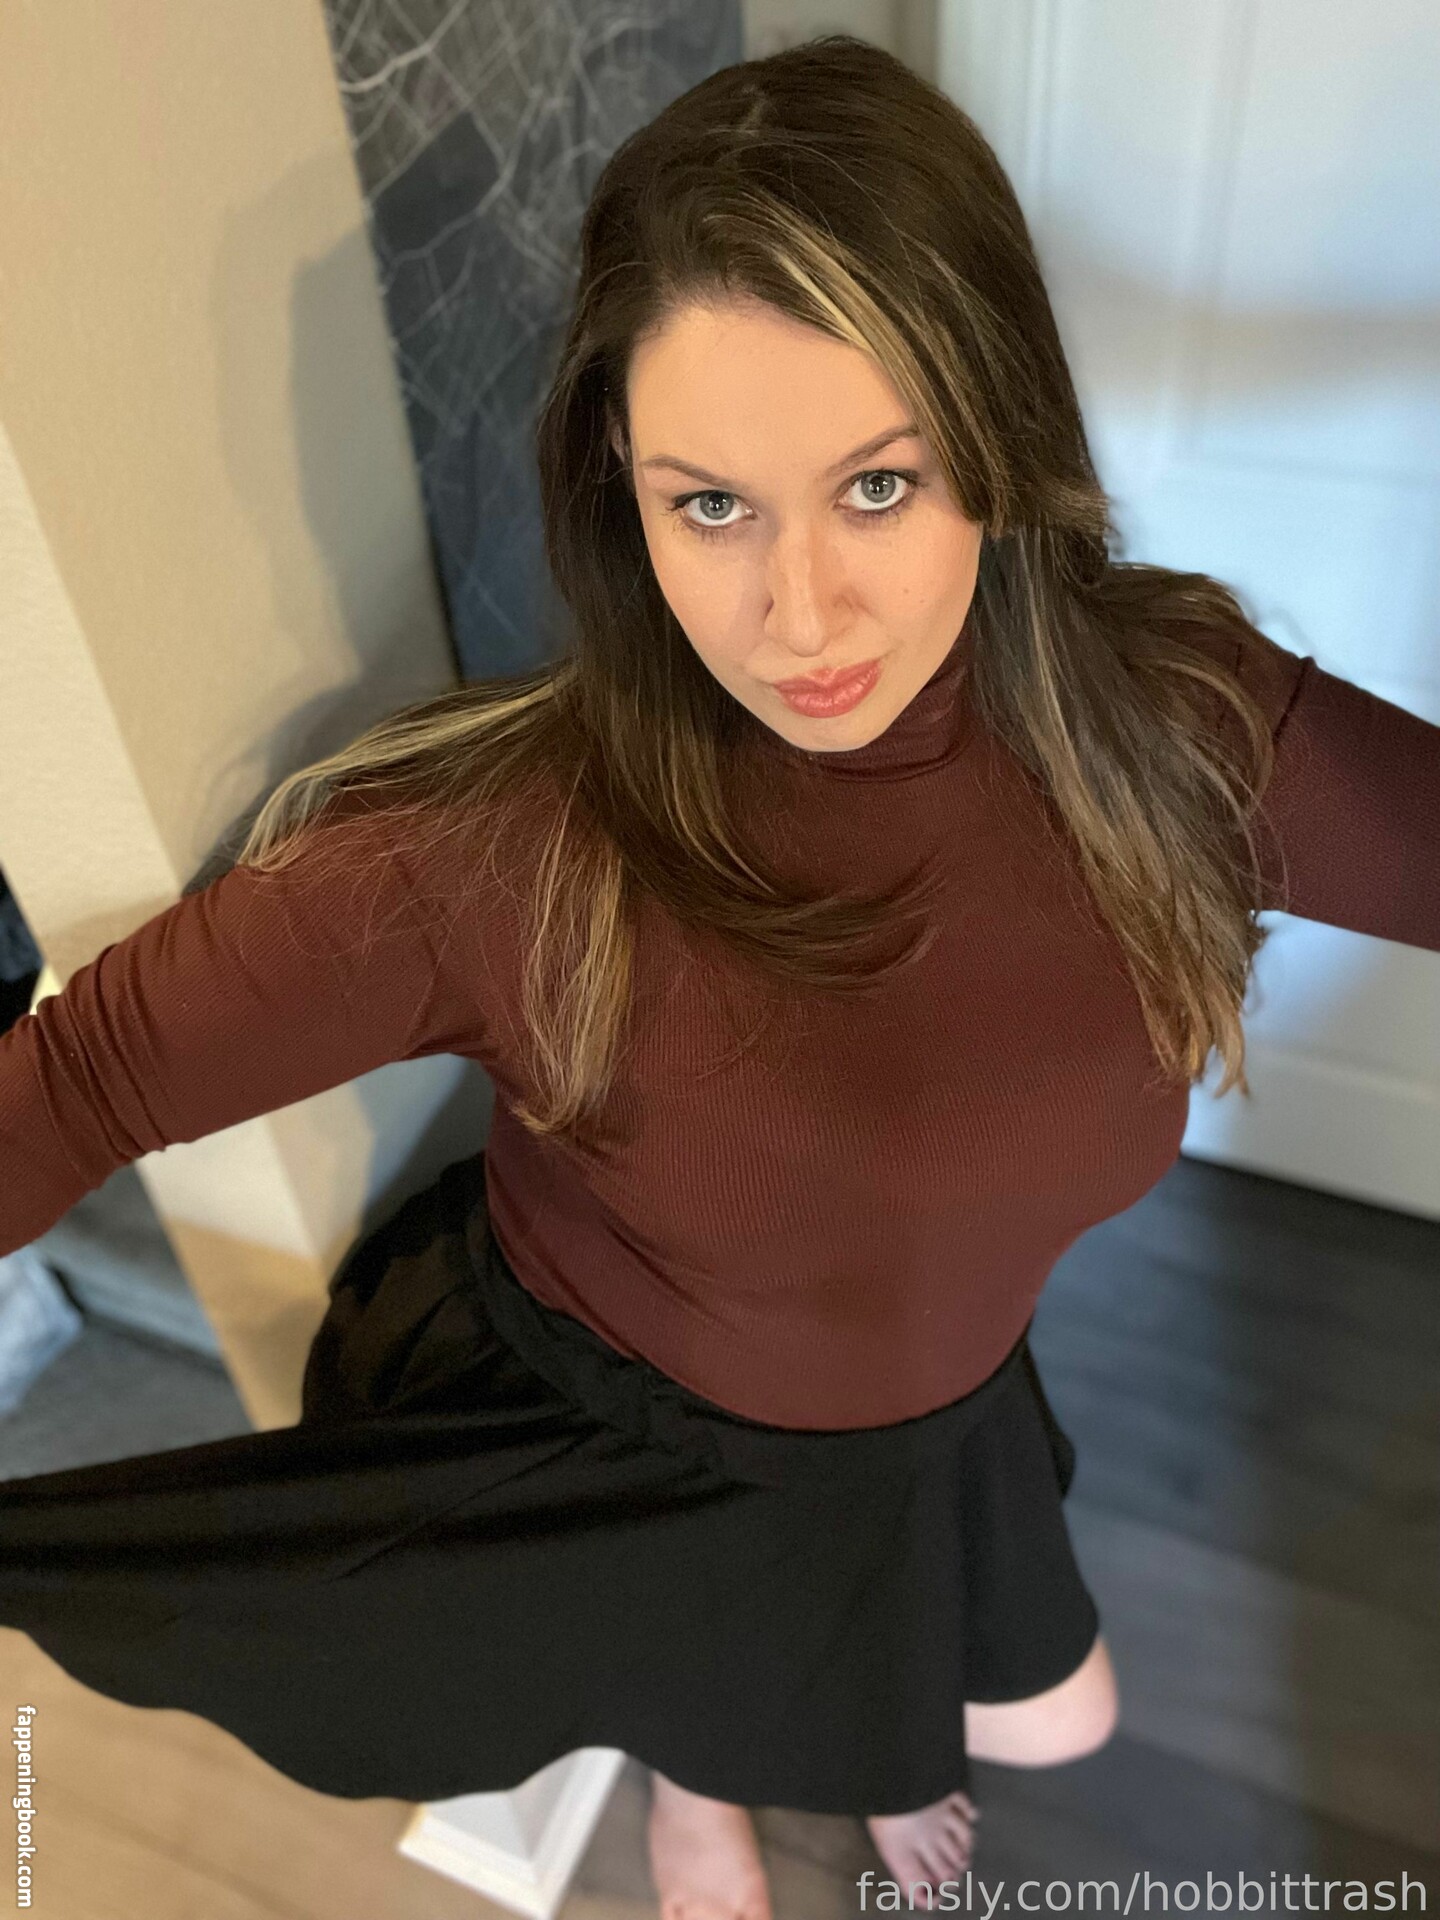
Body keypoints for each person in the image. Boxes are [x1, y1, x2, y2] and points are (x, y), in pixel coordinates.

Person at [2, 34, 1438, 1919]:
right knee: (728, 1674)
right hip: (623, 1440)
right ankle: (705, 1779)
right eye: (712, 506)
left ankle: (763, 1738)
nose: (801, 618)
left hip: (927, 1419)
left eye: (879, 484)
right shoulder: (500, 860)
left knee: (1050, 1724)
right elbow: (78, 1082)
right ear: (621, 479)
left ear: (998, 434)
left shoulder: (1177, 731)